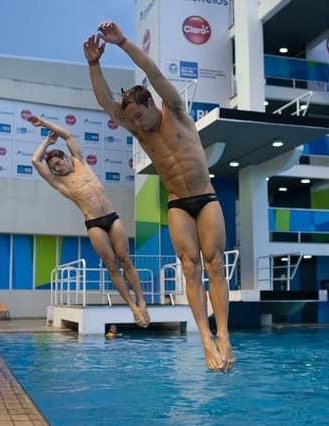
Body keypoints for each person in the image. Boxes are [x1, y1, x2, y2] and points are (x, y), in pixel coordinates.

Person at [83, 21, 234, 372]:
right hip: (178, 204)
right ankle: (205, 339)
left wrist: (122, 43)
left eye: (140, 115)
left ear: (151, 103)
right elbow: (107, 102)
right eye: (132, 119)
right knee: (190, 268)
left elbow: (152, 70)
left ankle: (224, 334)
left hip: (206, 198)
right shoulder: (140, 130)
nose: (138, 123)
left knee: (214, 264)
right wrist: (94, 65)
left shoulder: (176, 111)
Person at [28, 115, 150, 328]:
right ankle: (131, 305)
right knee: (111, 264)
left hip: (112, 217)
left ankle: (141, 300)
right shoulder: (59, 182)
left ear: (66, 158)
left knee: (126, 260)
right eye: (54, 167)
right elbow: (35, 161)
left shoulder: (80, 161)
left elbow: (67, 135)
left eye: (58, 163)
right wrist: (47, 142)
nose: (57, 168)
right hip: (94, 223)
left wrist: (44, 124)